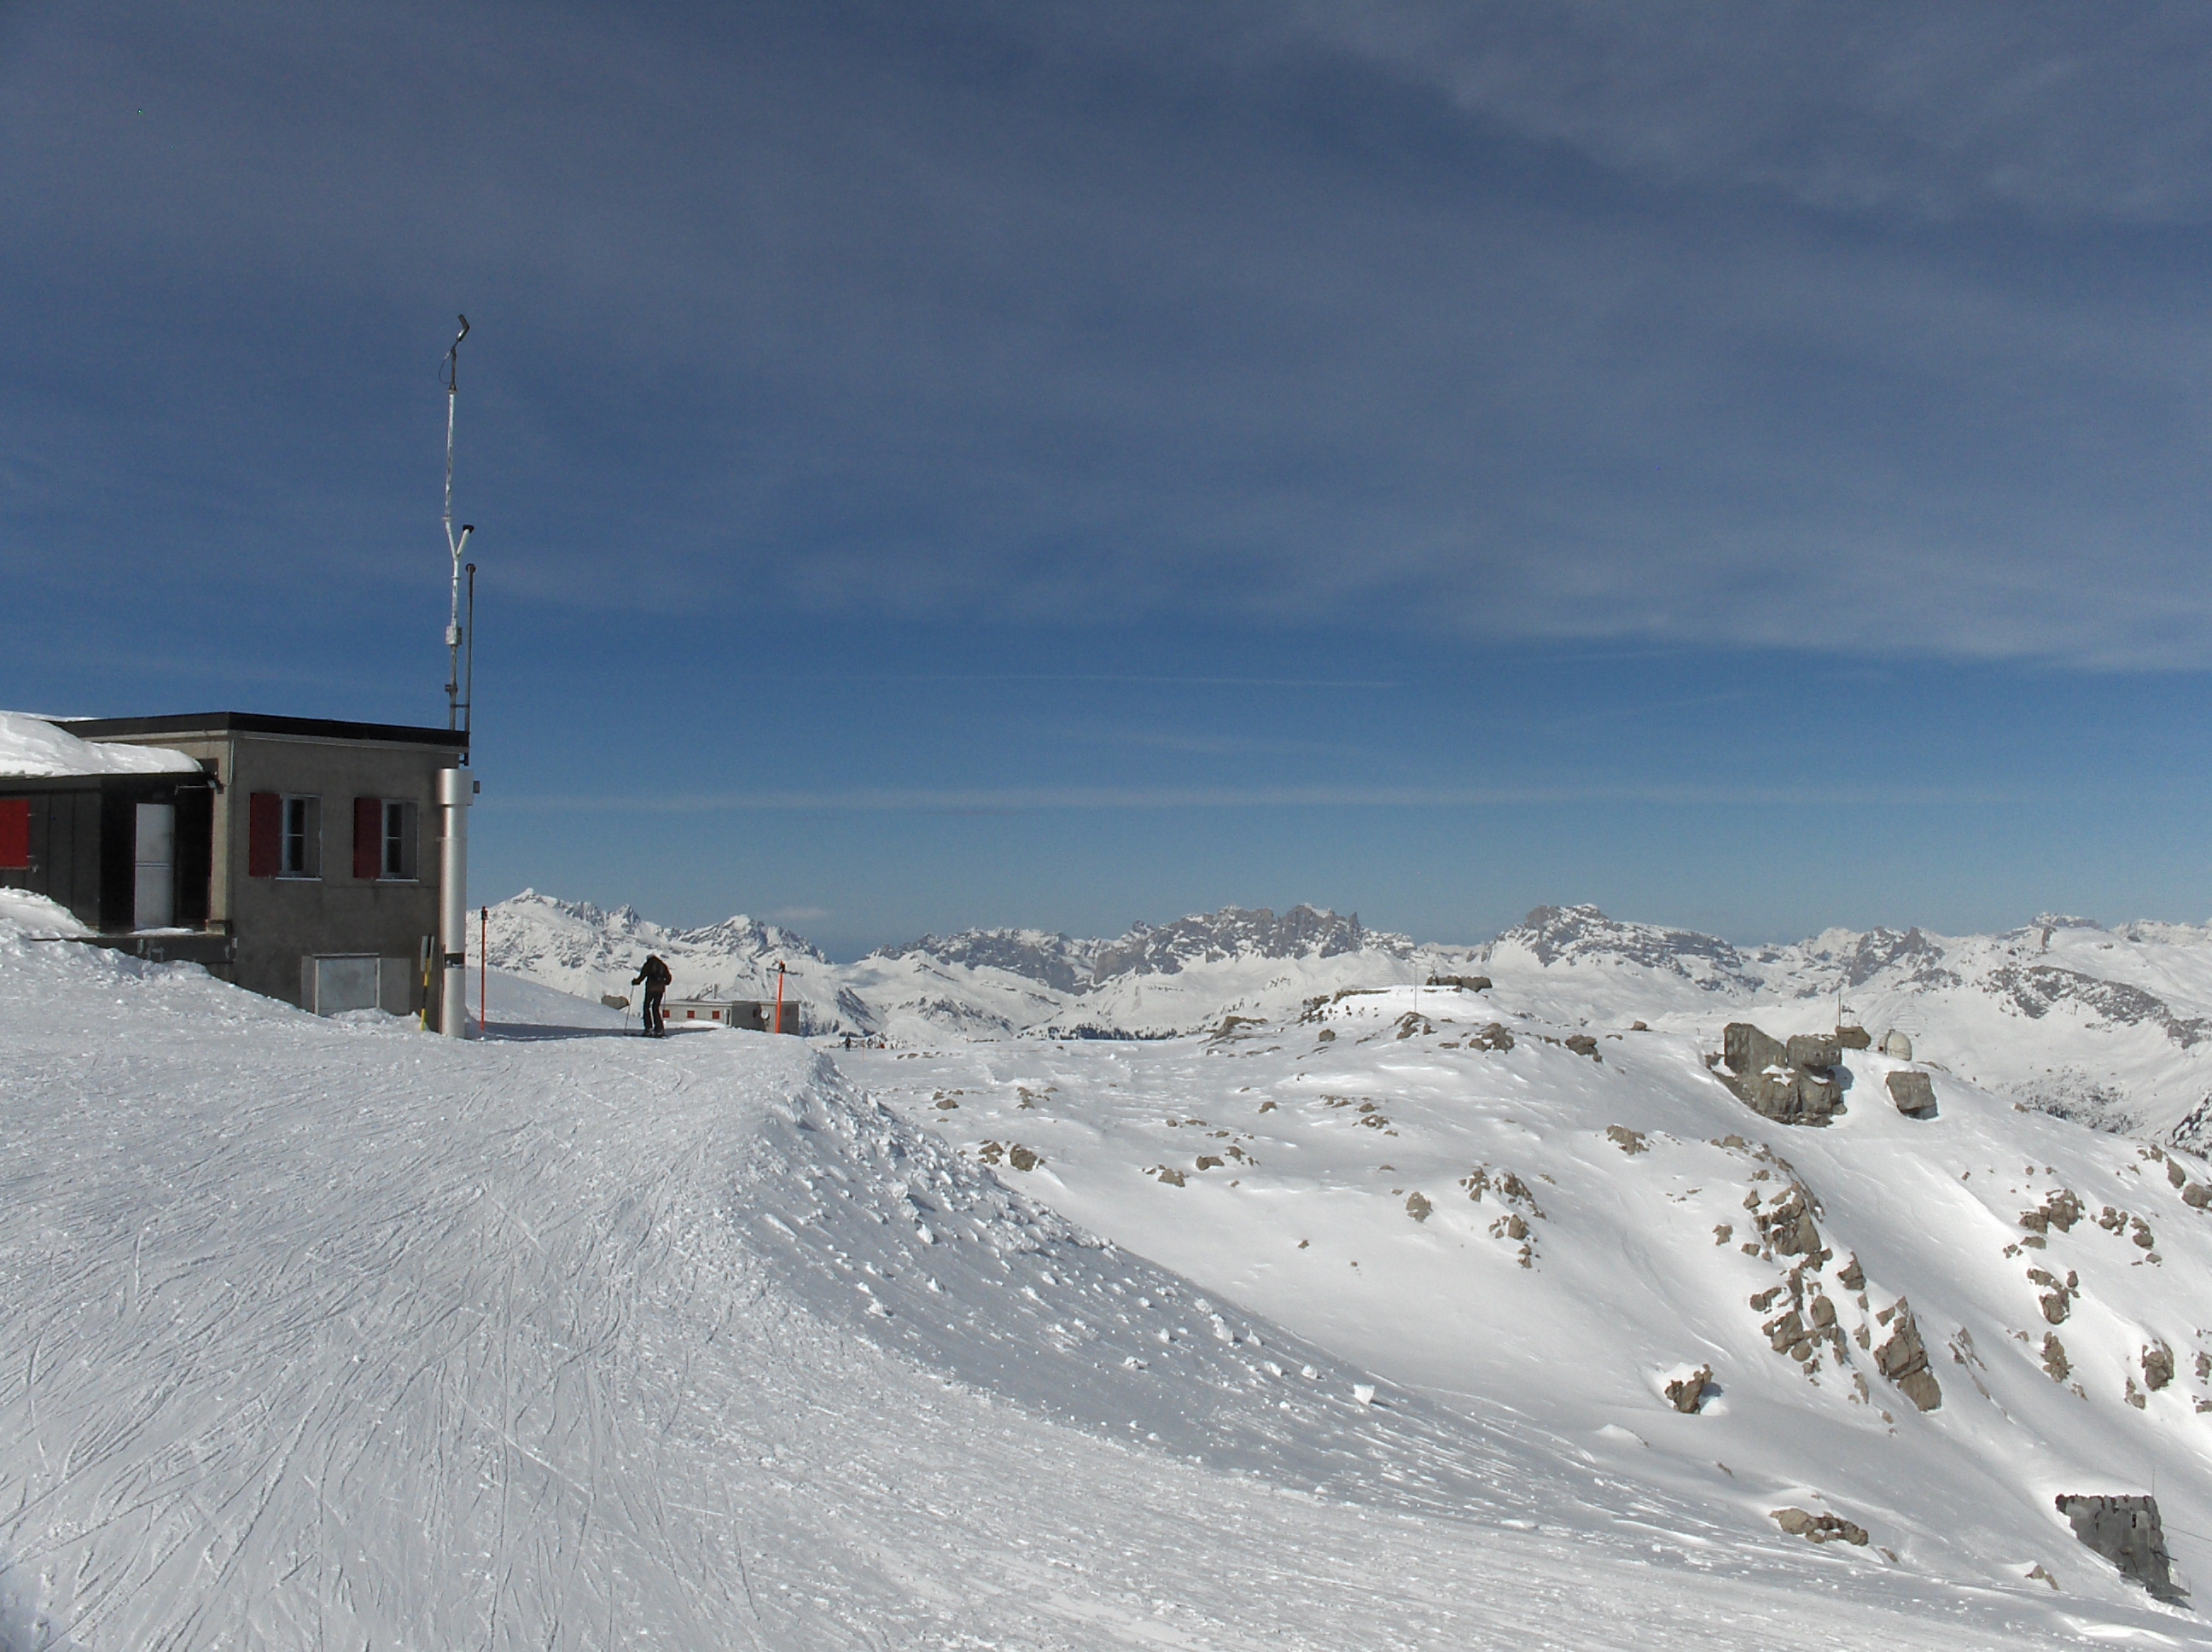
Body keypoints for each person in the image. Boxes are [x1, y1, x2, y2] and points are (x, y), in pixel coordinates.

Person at [632, 953, 672, 1037]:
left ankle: (648, 1028)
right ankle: (659, 1029)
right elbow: (668, 978)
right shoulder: (662, 965)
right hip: (660, 989)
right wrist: (664, 982)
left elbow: (642, 976)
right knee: (655, 1008)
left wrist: (635, 982)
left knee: (646, 1007)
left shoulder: (648, 965)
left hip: (651, 989)